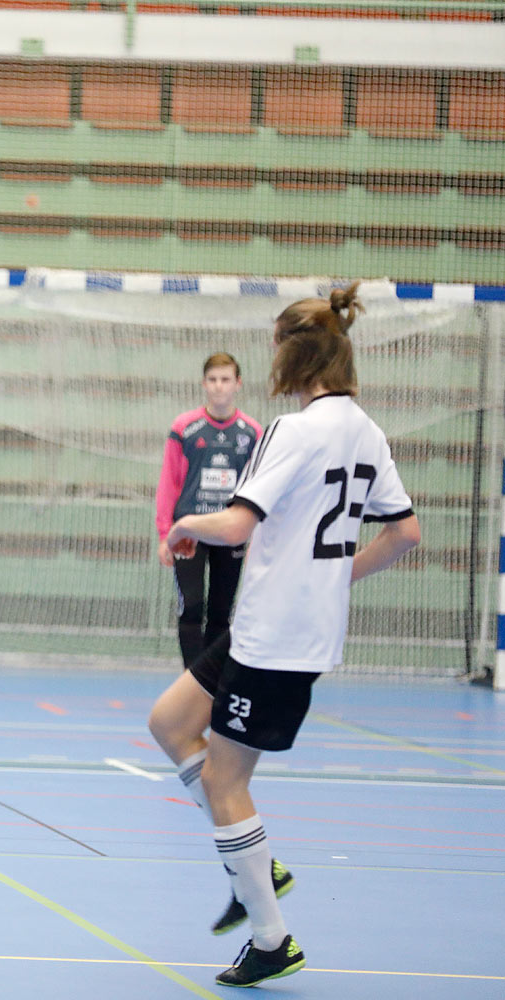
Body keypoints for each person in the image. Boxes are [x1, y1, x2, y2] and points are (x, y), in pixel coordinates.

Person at [147, 282, 420, 987]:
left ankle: (270, 937)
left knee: (223, 778)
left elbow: (236, 526)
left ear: (294, 357)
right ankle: (255, 861)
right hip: (268, 628)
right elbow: (405, 533)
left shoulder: (294, 431)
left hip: (276, 638)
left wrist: (182, 525)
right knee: (171, 721)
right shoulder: (367, 429)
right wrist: (336, 578)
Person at [156, 354, 262, 671]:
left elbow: (257, 487)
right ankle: (192, 677)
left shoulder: (252, 432)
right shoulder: (184, 428)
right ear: (204, 384)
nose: (219, 386)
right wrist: (166, 534)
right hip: (190, 530)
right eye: (213, 379)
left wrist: (255, 533)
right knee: (191, 605)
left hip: (230, 531)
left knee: (220, 610)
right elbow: (169, 482)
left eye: (225, 379)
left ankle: (211, 680)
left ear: (238, 384)